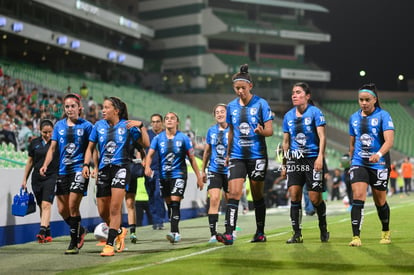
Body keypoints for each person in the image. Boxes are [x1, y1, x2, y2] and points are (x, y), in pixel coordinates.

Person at [82, 96, 149, 256]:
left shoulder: (127, 126)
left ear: (116, 110)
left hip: (121, 168)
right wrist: (87, 165)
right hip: (104, 170)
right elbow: (90, 148)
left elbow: (146, 144)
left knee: (114, 208)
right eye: (102, 107)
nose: (102, 110)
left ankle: (110, 244)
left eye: (106, 107)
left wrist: (142, 126)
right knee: (102, 211)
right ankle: (119, 231)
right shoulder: (98, 126)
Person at [216, 64, 274, 245]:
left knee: (257, 195)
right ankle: (228, 234)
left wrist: (261, 131)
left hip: (257, 156)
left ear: (250, 86)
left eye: (243, 88)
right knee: (233, 193)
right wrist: (228, 153)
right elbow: (231, 131)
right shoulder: (231, 107)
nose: (240, 91)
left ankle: (260, 232)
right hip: (237, 155)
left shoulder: (261, 103)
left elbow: (270, 131)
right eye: (236, 88)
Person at [40, 93, 93, 254]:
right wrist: (45, 164)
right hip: (62, 171)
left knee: (72, 205)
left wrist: (90, 165)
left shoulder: (87, 126)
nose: (70, 109)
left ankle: (73, 243)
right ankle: (80, 230)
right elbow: (53, 148)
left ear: (79, 108)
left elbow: (91, 149)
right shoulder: (59, 126)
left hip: (79, 170)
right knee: (63, 209)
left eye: (73, 106)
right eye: (67, 107)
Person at [144, 112, 204, 244]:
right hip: (164, 176)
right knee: (169, 204)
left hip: (179, 175)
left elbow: (192, 159)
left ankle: (175, 232)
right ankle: (175, 229)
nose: (169, 120)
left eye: (172, 118)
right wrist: (147, 166)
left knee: (175, 202)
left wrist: (199, 177)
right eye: (167, 119)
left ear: (177, 122)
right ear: (164, 122)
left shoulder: (183, 138)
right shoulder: (158, 139)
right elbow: (149, 154)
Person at [282, 82, 329, 244]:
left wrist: (320, 157)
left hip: (312, 159)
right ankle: (297, 234)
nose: (294, 95)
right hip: (295, 159)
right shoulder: (288, 116)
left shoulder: (315, 113)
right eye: (293, 93)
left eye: (298, 92)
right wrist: (285, 162)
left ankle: (323, 227)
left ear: (307, 96)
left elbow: (322, 137)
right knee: (294, 195)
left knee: (315, 198)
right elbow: (286, 142)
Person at [348, 83, 394, 247]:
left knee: (380, 200)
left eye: (367, 99)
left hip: (379, 163)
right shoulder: (353, 118)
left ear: (375, 99)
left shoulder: (383, 116)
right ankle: (356, 237)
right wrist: (351, 161)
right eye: (361, 100)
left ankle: (385, 231)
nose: (364, 103)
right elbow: (352, 144)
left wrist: (379, 154)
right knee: (358, 196)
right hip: (359, 162)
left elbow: (389, 141)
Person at [22, 119, 58, 243]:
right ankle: (47, 233)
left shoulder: (57, 143)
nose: (48, 135)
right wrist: (24, 180)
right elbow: (30, 162)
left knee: (46, 204)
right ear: (39, 131)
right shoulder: (34, 143)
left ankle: (42, 230)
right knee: (41, 206)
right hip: (36, 178)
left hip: (51, 176)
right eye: (45, 132)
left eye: (50, 132)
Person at [201, 103, 229, 243]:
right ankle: (213, 233)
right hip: (214, 170)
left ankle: (230, 230)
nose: (219, 114)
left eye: (222, 111)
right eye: (217, 112)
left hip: (230, 170)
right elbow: (206, 152)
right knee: (214, 199)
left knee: (230, 201)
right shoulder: (211, 131)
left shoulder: (234, 130)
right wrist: (203, 171)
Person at [144, 114, 167, 230]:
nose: (155, 124)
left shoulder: (166, 135)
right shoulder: (147, 134)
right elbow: (140, 148)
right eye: (153, 122)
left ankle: (160, 220)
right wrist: (144, 162)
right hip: (149, 170)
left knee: (158, 194)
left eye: (158, 121)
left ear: (162, 122)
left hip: (161, 170)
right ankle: (155, 220)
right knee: (151, 196)